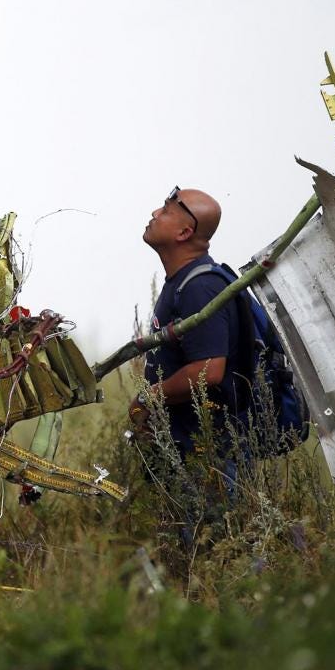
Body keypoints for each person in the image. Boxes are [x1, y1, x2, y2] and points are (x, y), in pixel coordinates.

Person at [129, 186, 252, 463]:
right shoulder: (182, 282)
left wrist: (148, 399)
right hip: (184, 449)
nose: (154, 213)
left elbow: (208, 371)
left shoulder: (201, 287)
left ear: (184, 233)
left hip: (207, 457)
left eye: (165, 211)